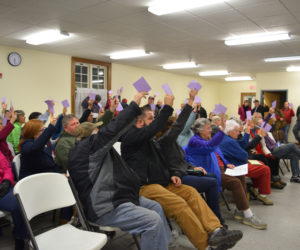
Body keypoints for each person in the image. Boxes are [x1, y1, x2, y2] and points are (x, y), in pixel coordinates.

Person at [121, 95, 243, 250]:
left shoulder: (151, 142)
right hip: (145, 187)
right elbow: (176, 126)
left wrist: (174, 173)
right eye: (151, 119)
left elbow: (165, 162)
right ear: (139, 122)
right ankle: (206, 245)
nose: (154, 122)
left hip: (164, 183)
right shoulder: (130, 139)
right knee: (179, 204)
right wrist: (169, 107)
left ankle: (216, 231)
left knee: (191, 193)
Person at [68, 92, 171, 250]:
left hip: (119, 197)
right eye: (96, 130)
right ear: (90, 135)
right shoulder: (88, 149)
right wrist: (134, 104)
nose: (99, 132)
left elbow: (114, 130)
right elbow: (113, 129)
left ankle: (161, 246)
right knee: (152, 221)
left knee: (156, 207)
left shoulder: (91, 148)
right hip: (106, 207)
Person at [185, 118, 267, 230]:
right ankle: (248, 215)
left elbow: (220, 156)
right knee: (235, 182)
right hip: (209, 172)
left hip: (221, 169)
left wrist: (227, 163)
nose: (210, 131)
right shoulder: (197, 143)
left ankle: (239, 211)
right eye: (208, 128)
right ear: (200, 131)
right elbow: (195, 160)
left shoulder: (212, 142)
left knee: (240, 175)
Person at [156, 89, 224, 223]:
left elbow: (181, 162)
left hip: (183, 171)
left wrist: (194, 168)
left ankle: (213, 216)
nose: (177, 129)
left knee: (213, 176)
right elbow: (180, 125)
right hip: (177, 177)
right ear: (168, 129)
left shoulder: (172, 142)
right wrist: (190, 101)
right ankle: (216, 219)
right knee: (212, 182)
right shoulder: (165, 141)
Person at [219, 120, 273, 206]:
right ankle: (262, 195)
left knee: (260, 163)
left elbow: (243, 145)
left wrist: (247, 132)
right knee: (265, 169)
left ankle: (254, 188)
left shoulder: (228, 138)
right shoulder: (229, 141)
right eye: (236, 131)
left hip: (235, 163)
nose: (238, 132)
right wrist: (246, 154)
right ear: (229, 131)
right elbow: (244, 156)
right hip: (235, 167)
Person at [55, 99, 117, 172]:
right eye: (73, 124)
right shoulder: (63, 144)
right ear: (66, 128)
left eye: (77, 123)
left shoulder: (83, 133)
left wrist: (111, 110)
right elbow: (71, 165)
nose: (77, 125)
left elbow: (99, 125)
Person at [18, 115, 61, 179]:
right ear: (33, 132)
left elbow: (51, 163)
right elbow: (36, 148)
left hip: (47, 175)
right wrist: (50, 128)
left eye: (44, 130)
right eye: (42, 130)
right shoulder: (25, 144)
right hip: (32, 179)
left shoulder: (44, 142)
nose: (44, 133)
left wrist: (59, 175)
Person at [0, 151, 27, 250]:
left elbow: (6, 168)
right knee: (17, 204)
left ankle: (20, 237)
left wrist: (7, 181)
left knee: (21, 201)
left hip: (3, 186)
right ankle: (20, 237)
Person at [247, 118, 284, 189]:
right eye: (248, 123)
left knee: (275, 157)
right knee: (263, 157)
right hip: (252, 152)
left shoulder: (257, 131)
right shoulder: (246, 133)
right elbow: (249, 146)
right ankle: (271, 179)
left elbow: (263, 145)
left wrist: (269, 153)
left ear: (254, 124)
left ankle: (276, 177)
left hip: (260, 150)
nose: (249, 124)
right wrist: (252, 151)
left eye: (251, 123)